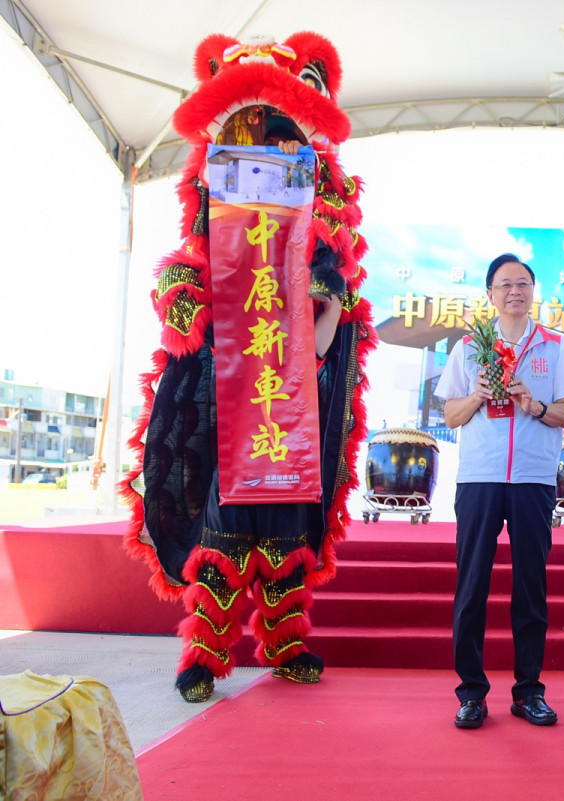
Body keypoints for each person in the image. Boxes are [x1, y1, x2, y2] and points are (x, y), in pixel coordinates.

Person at [122, 32, 374, 704]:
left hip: (292, 394)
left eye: (274, 124)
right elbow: (191, 270)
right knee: (223, 528)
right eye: (246, 124)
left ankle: (286, 643)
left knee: (289, 529)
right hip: (229, 390)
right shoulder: (214, 190)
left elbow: (336, 284)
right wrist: (181, 296)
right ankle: (205, 654)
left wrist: (328, 298)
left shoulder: (320, 192)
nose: (260, 138)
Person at [435, 253, 564, 730]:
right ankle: (471, 694)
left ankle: (528, 692)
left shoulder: (556, 348)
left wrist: (532, 403)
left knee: (530, 589)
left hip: (532, 480)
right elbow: (451, 416)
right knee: (472, 585)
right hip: (479, 479)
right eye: (505, 285)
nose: (515, 291)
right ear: (490, 295)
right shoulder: (467, 349)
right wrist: (480, 394)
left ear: (533, 292)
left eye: (523, 284)